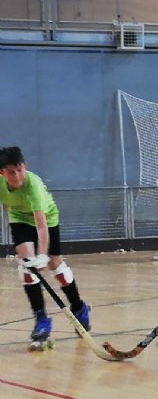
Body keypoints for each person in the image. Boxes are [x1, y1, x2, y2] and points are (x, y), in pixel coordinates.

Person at [0, 146, 91, 349]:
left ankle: (79, 307)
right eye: (11, 172)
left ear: (25, 166)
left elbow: (41, 227)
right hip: (19, 219)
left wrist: (42, 255)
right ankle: (41, 320)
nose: (17, 176)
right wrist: (33, 259)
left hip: (47, 219)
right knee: (27, 267)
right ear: (2, 173)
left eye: (20, 170)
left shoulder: (33, 186)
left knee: (54, 264)